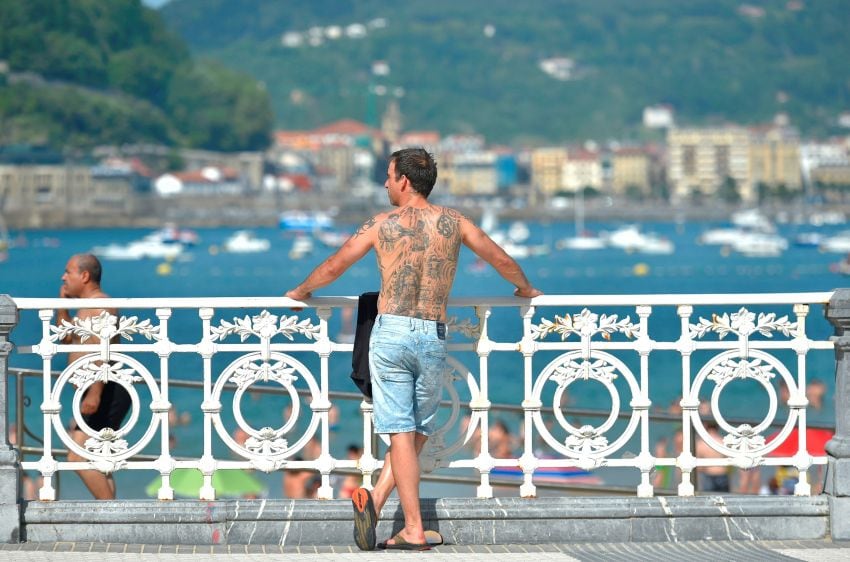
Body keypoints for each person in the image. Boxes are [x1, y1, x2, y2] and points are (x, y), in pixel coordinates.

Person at [285, 147, 542, 551]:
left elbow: (336, 265)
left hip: (392, 334)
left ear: (403, 181)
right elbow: (499, 257)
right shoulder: (454, 222)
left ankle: (414, 529)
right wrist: (525, 288)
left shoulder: (381, 224)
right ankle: (374, 501)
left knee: (405, 433)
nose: (385, 184)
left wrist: (302, 290)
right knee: (416, 432)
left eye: (388, 177)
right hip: (431, 333)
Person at [57, 253, 131, 500]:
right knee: (98, 461)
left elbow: (104, 349)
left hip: (106, 388)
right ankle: (111, 515)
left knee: (76, 456)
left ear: (85, 275)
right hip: (94, 388)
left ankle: (112, 515)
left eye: (68, 272)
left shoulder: (102, 304)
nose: (63, 277)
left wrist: (95, 392)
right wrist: (62, 304)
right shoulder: (85, 307)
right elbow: (66, 338)